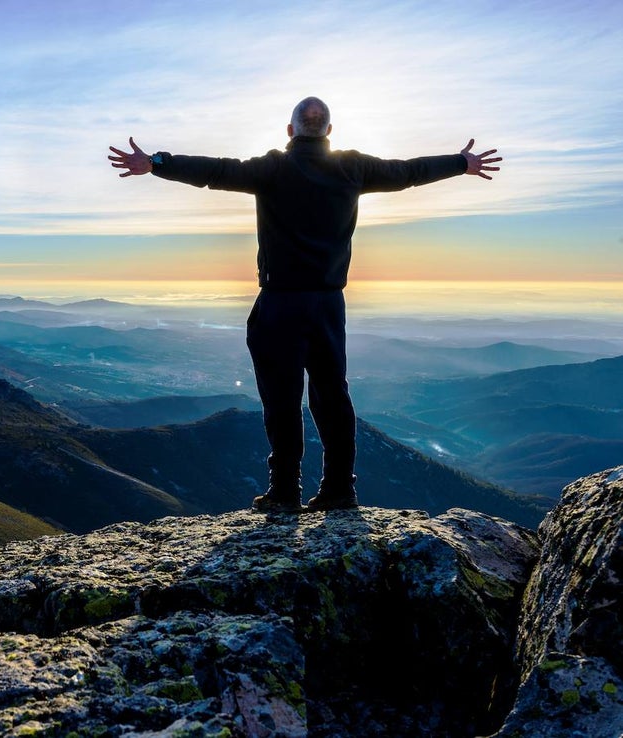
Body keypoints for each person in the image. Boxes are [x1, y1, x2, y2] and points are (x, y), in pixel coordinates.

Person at [108, 96, 501, 513]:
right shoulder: (353, 167)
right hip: (329, 305)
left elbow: (215, 171)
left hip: (280, 304)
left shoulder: (272, 168)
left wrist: (157, 162)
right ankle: (338, 490)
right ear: (329, 131)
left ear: (290, 130)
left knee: (281, 399)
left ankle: (284, 492)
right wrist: (460, 163)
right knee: (333, 397)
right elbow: (408, 172)